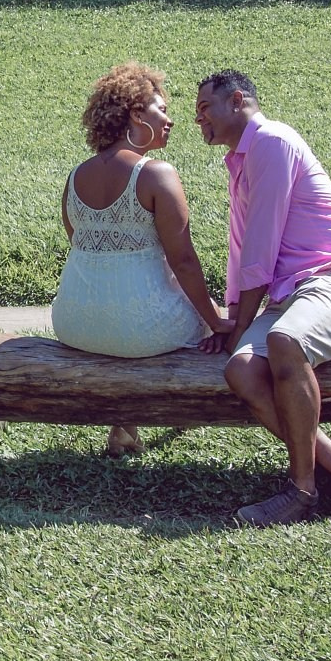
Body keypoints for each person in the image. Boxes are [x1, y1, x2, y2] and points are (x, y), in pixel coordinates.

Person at [194, 69, 331, 526]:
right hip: (292, 297)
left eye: (205, 108)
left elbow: (259, 248)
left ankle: (302, 490)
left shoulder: (272, 141)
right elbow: (241, 248)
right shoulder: (242, 159)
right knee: (241, 371)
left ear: (238, 100)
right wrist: (231, 323)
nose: (198, 119)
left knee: (284, 341)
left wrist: (240, 324)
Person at [52, 63, 234, 456]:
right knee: (202, 319)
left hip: (73, 323)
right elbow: (183, 260)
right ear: (136, 114)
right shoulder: (156, 174)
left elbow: (82, 248)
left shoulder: (74, 176)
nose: (170, 120)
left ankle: (125, 428)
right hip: (143, 331)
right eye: (161, 110)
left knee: (139, 302)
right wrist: (215, 318)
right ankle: (178, 411)